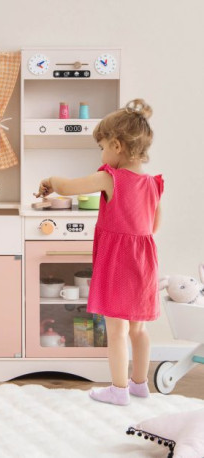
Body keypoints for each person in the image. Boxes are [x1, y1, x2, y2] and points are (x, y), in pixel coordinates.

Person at [36, 99, 163, 406]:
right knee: (139, 329)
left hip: (119, 263)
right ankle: (139, 384)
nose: (102, 153)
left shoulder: (111, 178)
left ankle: (118, 389)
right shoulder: (153, 184)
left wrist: (51, 181)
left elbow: (70, 187)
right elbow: (154, 227)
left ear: (117, 146)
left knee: (116, 329)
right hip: (144, 262)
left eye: (102, 146)